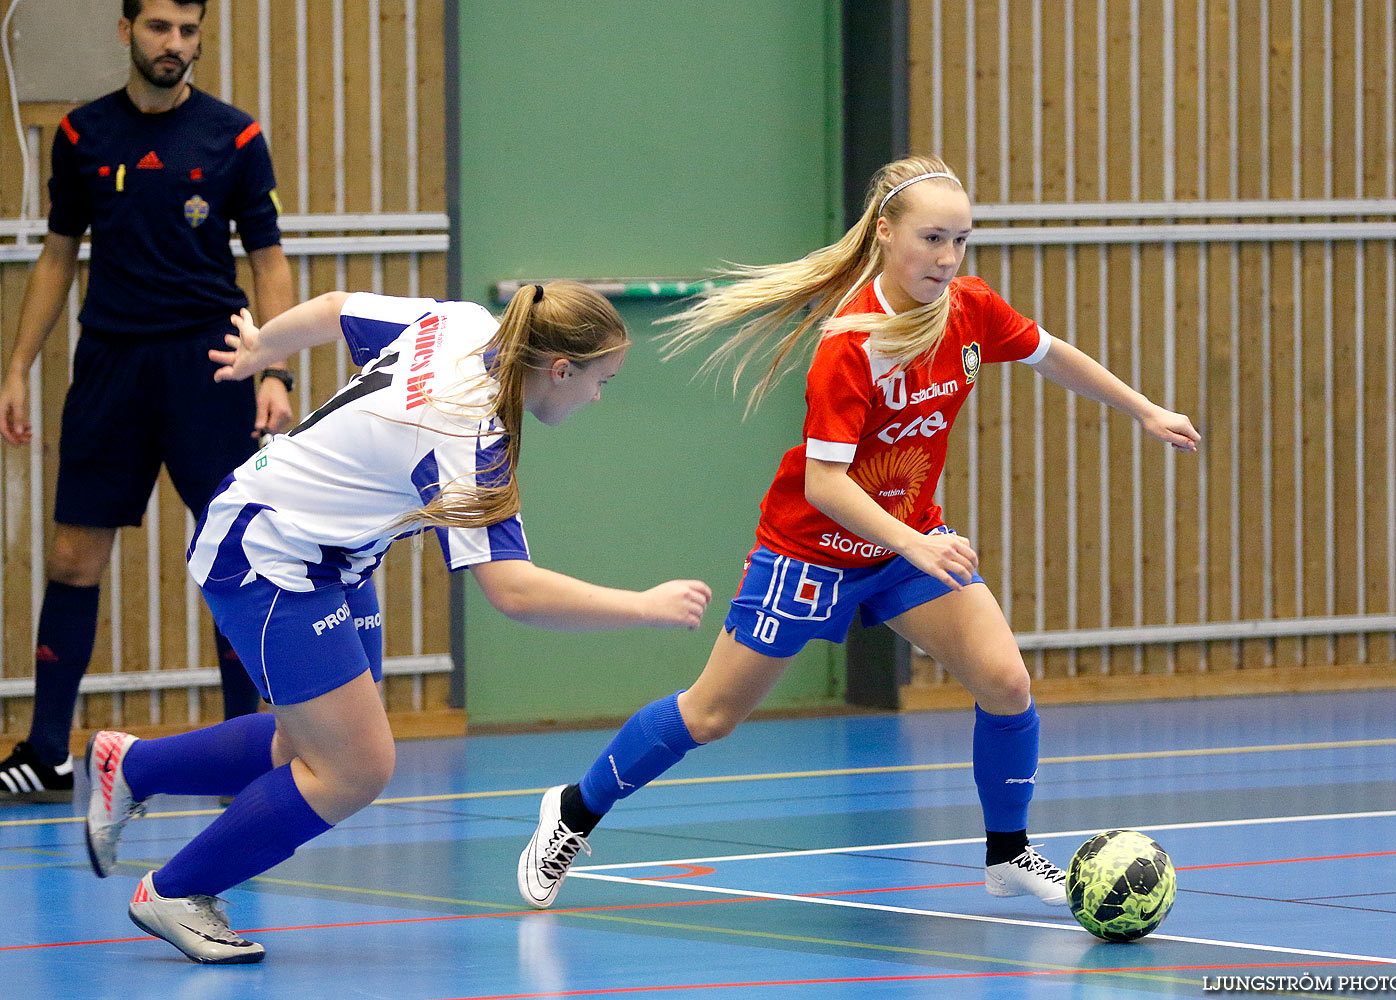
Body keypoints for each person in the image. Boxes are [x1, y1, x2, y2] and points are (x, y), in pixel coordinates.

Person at [516, 155, 1201, 911]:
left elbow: (1051, 356)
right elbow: (826, 484)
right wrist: (915, 543)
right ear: (885, 233)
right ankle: (574, 811)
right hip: (810, 552)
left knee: (1006, 683)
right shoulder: (852, 345)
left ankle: (1008, 854)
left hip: (906, 545)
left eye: (961, 241)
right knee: (711, 715)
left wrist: (1143, 408)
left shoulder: (969, 309)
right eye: (932, 238)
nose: (947, 259)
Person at [81, 281, 713, 964]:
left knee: (313, 748)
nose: (597, 397)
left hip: (334, 556)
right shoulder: (469, 435)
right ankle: (175, 890)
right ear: (560, 369)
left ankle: (133, 766)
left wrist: (266, 344)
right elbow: (514, 592)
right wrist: (643, 606)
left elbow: (332, 309)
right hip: (268, 555)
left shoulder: (464, 322)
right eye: (600, 381)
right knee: (355, 767)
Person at [0, 0, 295, 803]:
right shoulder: (81, 135)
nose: (176, 45)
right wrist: (18, 366)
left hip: (211, 367)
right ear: (125, 31)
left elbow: (269, 262)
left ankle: (248, 750)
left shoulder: (232, 135)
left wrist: (274, 368)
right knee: (71, 558)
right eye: (161, 28)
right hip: (110, 369)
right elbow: (59, 256)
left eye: (189, 31)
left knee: (232, 557)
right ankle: (48, 751)